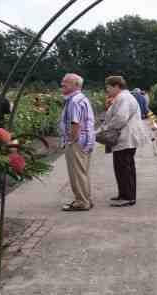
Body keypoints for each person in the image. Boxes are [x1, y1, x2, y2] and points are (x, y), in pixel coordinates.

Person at [101, 76, 147, 207]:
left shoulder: (123, 98)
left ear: (116, 86)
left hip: (126, 138)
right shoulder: (122, 98)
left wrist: (107, 128)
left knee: (125, 168)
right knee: (122, 167)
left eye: (108, 87)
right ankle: (123, 194)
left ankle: (128, 197)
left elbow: (121, 118)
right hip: (125, 139)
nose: (107, 90)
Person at [59, 73, 96, 211]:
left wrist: (71, 140)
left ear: (76, 85)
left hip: (77, 142)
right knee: (82, 171)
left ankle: (81, 202)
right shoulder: (81, 98)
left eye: (66, 82)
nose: (62, 84)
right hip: (86, 141)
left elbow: (75, 123)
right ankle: (86, 199)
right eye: (63, 81)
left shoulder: (74, 101)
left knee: (76, 172)